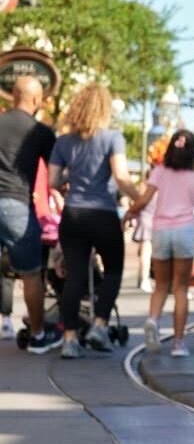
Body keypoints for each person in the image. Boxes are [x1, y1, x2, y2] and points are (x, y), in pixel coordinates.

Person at [48, 83, 140, 359]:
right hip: (103, 213)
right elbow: (122, 177)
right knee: (113, 270)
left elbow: (53, 180)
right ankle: (99, 325)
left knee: (75, 276)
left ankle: (69, 339)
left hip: (73, 214)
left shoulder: (63, 142)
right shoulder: (113, 138)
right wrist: (143, 199)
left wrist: (70, 178)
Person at [127, 130, 194, 357]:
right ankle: (178, 343)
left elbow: (144, 200)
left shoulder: (159, 172)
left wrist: (129, 213)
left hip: (161, 231)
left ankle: (153, 320)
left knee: (161, 285)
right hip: (185, 231)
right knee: (181, 289)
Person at [0, 76, 60, 353]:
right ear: (36, 101)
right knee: (31, 274)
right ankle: (37, 335)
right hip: (16, 205)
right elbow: (57, 174)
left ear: (12, 96)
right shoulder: (40, 132)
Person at [132, 171, 156, 293]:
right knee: (148, 252)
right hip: (154, 222)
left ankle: (144, 277)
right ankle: (145, 279)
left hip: (145, 221)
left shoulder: (143, 187)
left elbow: (137, 203)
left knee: (145, 251)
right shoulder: (158, 188)